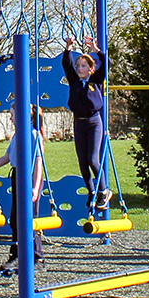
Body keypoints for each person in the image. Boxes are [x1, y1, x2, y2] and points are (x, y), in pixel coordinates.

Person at [0, 104, 45, 271]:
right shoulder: (17, 135)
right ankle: (16, 254)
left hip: (29, 177)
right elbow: (8, 156)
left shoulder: (33, 135)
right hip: (17, 175)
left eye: (12, 114)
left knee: (29, 218)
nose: (10, 118)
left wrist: (35, 188)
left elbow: (38, 163)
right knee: (15, 219)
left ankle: (37, 257)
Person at [62, 37, 111, 211]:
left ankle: (104, 191)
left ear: (91, 69)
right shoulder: (74, 81)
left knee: (92, 159)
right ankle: (92, 191)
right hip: (79, 122)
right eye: (78, 66)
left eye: (83, 66)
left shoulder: (95, 80)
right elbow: (66, 65)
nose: (80, 69)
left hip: (93, 122)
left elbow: (107, 63)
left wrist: (96, 49)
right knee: (82, 161)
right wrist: (68, 47)